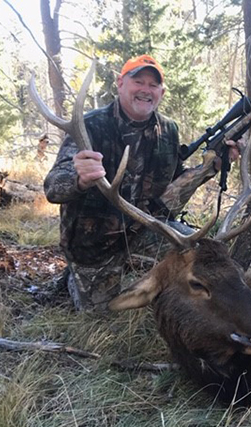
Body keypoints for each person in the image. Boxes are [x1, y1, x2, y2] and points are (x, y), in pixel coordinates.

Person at [44, 55, 239, 310]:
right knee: (104, 314)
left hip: (147, 230)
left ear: (161, 92)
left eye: (153, 85)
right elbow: (52, 188)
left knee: (205, 252)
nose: (146, 90)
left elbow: (173, 185)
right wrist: (77, 178)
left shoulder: (167, 130)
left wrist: (211, 166)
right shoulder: (91, 126)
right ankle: (75, 277)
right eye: (139, 81)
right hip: (94, 246)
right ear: (121, 83)